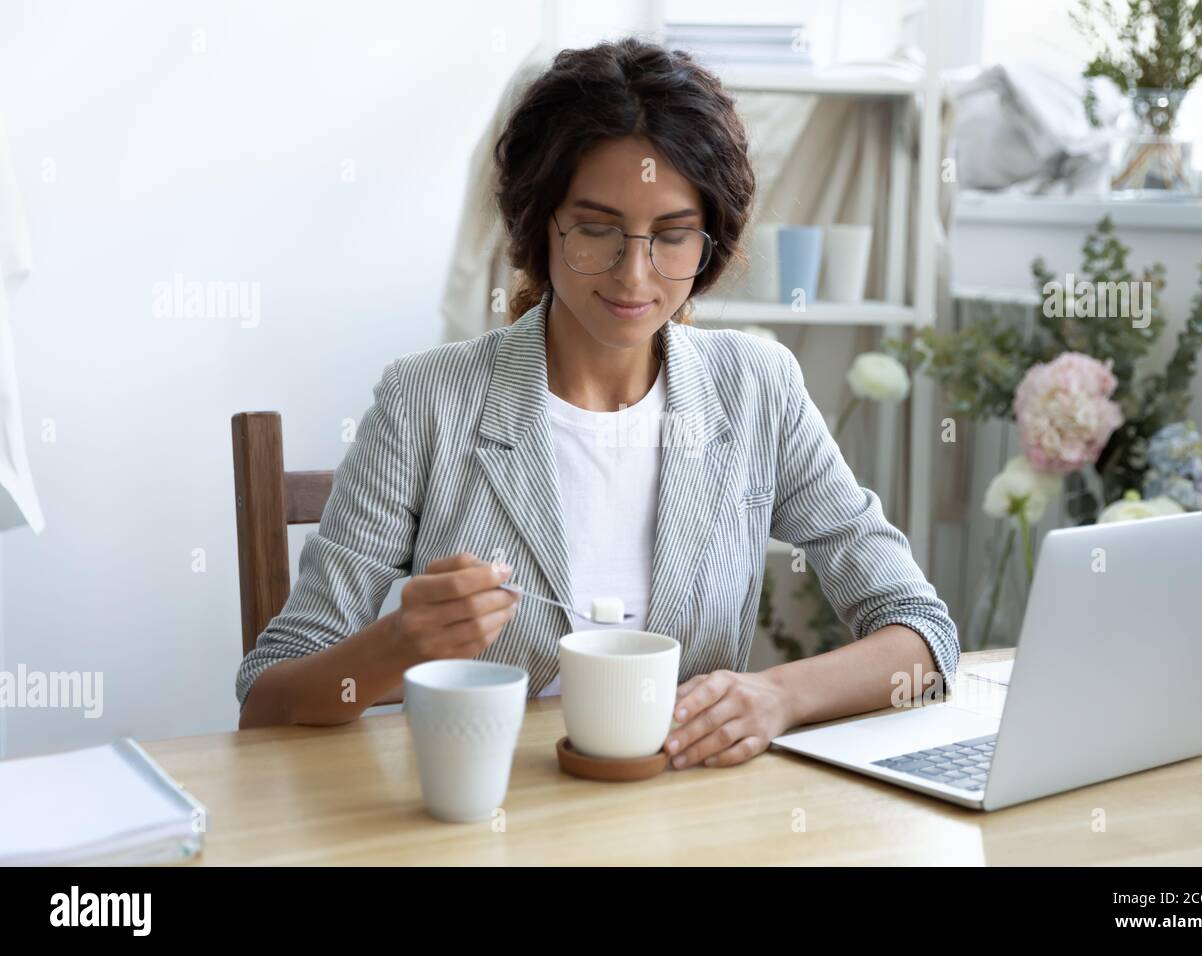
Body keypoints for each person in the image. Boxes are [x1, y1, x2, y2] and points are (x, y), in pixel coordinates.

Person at [237, 36, 959, 770]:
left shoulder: (757, 388)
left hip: (684, 819)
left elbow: (924, 638)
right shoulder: (426, 400)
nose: (633, 275)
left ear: (709, 242)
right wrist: (397, 644)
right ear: (537, 223)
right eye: (596, 230)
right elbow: (267, 697)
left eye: (672, 237)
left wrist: (776, 696)